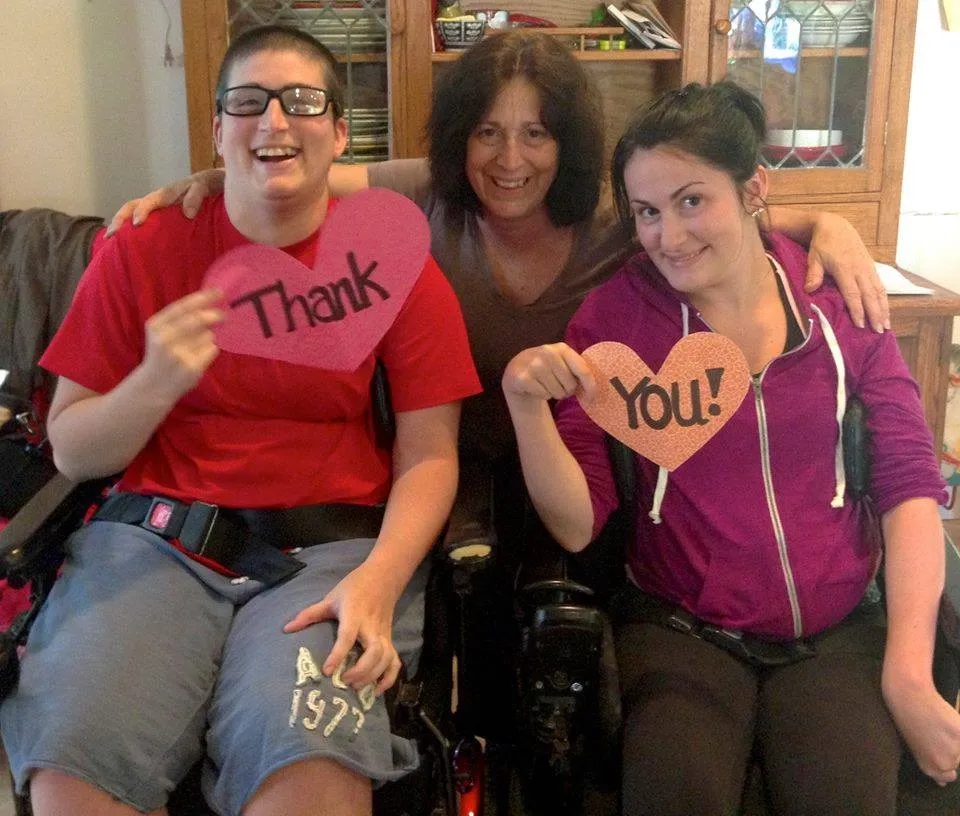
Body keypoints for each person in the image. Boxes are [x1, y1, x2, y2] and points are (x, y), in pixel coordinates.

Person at [112, 29, 889, 750]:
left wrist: (827, 221)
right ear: (459, 140)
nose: (509, 158)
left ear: (568, 142)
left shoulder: (615, 215)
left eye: (536, 133)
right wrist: (211, 176)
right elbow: (301, 165)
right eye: (487, 131)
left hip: (589, 475)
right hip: (460, 466)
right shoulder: (428, 195)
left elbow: (707, 203)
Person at [0, 24, 480, 816]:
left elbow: (431, 452)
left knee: (312, 787)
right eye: (249, 103)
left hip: (331, 553)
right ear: (218, 130)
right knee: (72, 784)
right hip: (156, 539)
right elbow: (74, 448)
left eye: (301, 101)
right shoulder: (144, 249)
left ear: (337, 131)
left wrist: (382, 579)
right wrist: (153, 381)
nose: (275, 121)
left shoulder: (393, 263)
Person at [501, 81, 960, 815]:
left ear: (753, 190)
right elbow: (578, 521)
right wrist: (528, 408)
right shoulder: (616, 321)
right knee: (672, 794)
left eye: (691, 201)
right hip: (682, 625)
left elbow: (911, 486)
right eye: (647, 213)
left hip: (836, 627)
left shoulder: (838, 301)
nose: (668, 238)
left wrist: (908, 673)